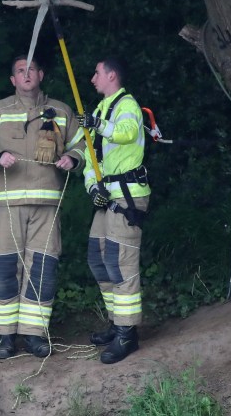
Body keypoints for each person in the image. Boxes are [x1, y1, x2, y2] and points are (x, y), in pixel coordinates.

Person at [0, 55, 85, 359]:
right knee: (5, 269)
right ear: (13, 80)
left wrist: (73, 158)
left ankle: (34, 336)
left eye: (31, 68)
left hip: (47, 206)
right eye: (20, 70)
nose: (26, 73)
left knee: (42, 271)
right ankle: (4, 338)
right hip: (7, 206)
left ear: (41, 74)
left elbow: (84, 144)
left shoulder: (60, 111)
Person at [77, 56, 150, 364]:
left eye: (96, 73)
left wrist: (98, 124)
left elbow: (125, 133)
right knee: (98, 256)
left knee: (120, 263)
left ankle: (127, 334)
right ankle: (116, 320)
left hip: (128, 196)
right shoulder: (100, 110)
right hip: (109, 197)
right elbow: (90, 154)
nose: (92, 79)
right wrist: (93, 187)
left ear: (111, 75)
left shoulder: (127, 106)